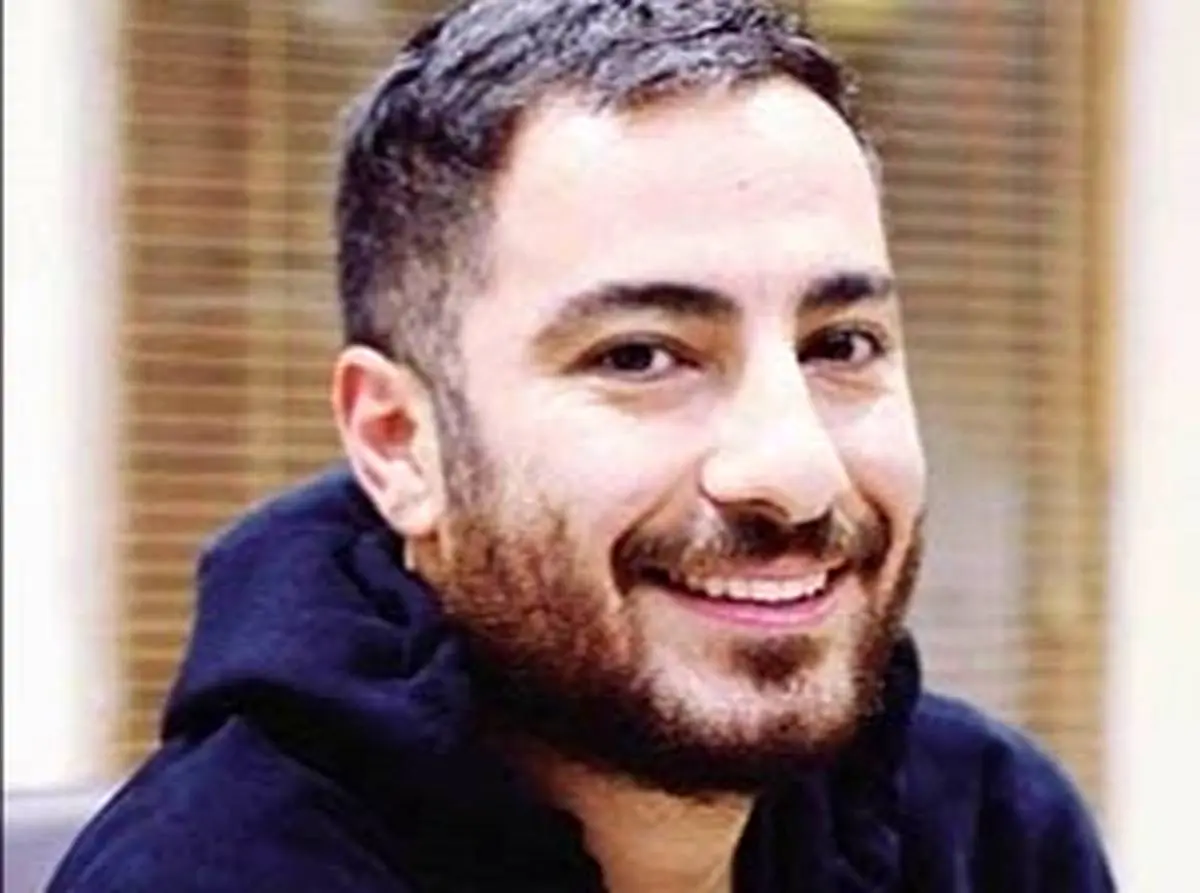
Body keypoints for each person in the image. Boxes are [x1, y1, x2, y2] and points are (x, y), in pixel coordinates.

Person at [50, 1, 1115, 890]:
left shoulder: (984, 830)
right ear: (401, 443)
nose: (793, 471)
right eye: (641, 356)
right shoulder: (214, 871)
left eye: (841, 344)